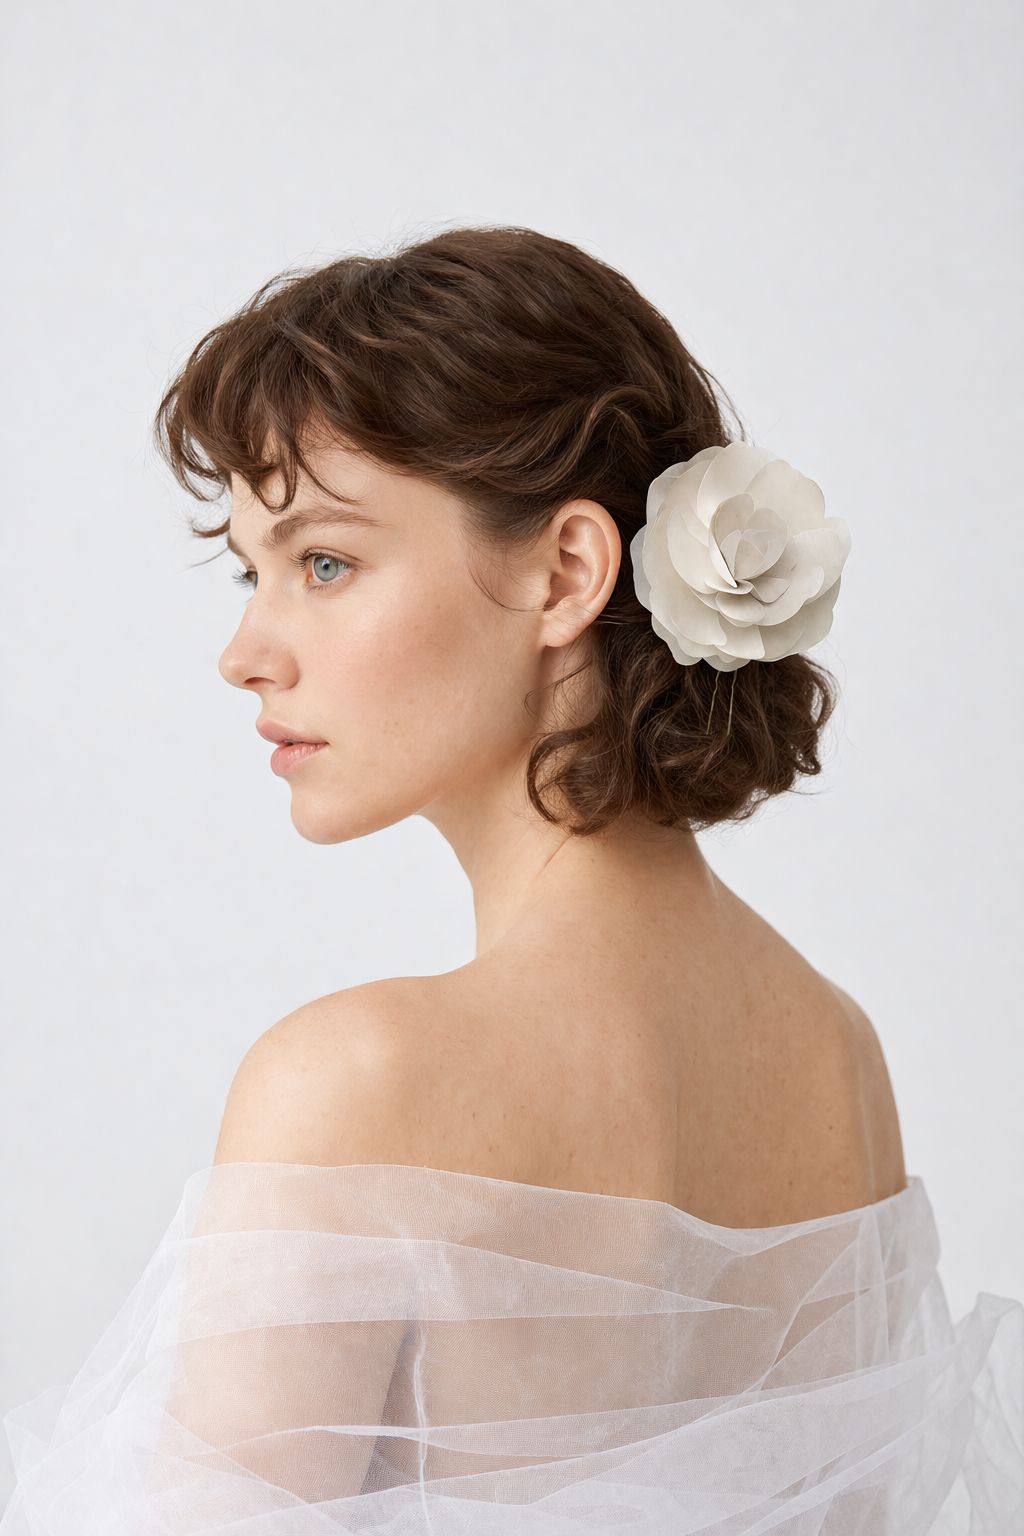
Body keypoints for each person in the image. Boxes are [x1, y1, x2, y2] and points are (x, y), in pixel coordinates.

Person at [2, 225, 1020, 1531]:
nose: (246, 651)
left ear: (567, 573)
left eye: (324, 562)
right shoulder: (837, 1057)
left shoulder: (358, 1081)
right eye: (252, 572)